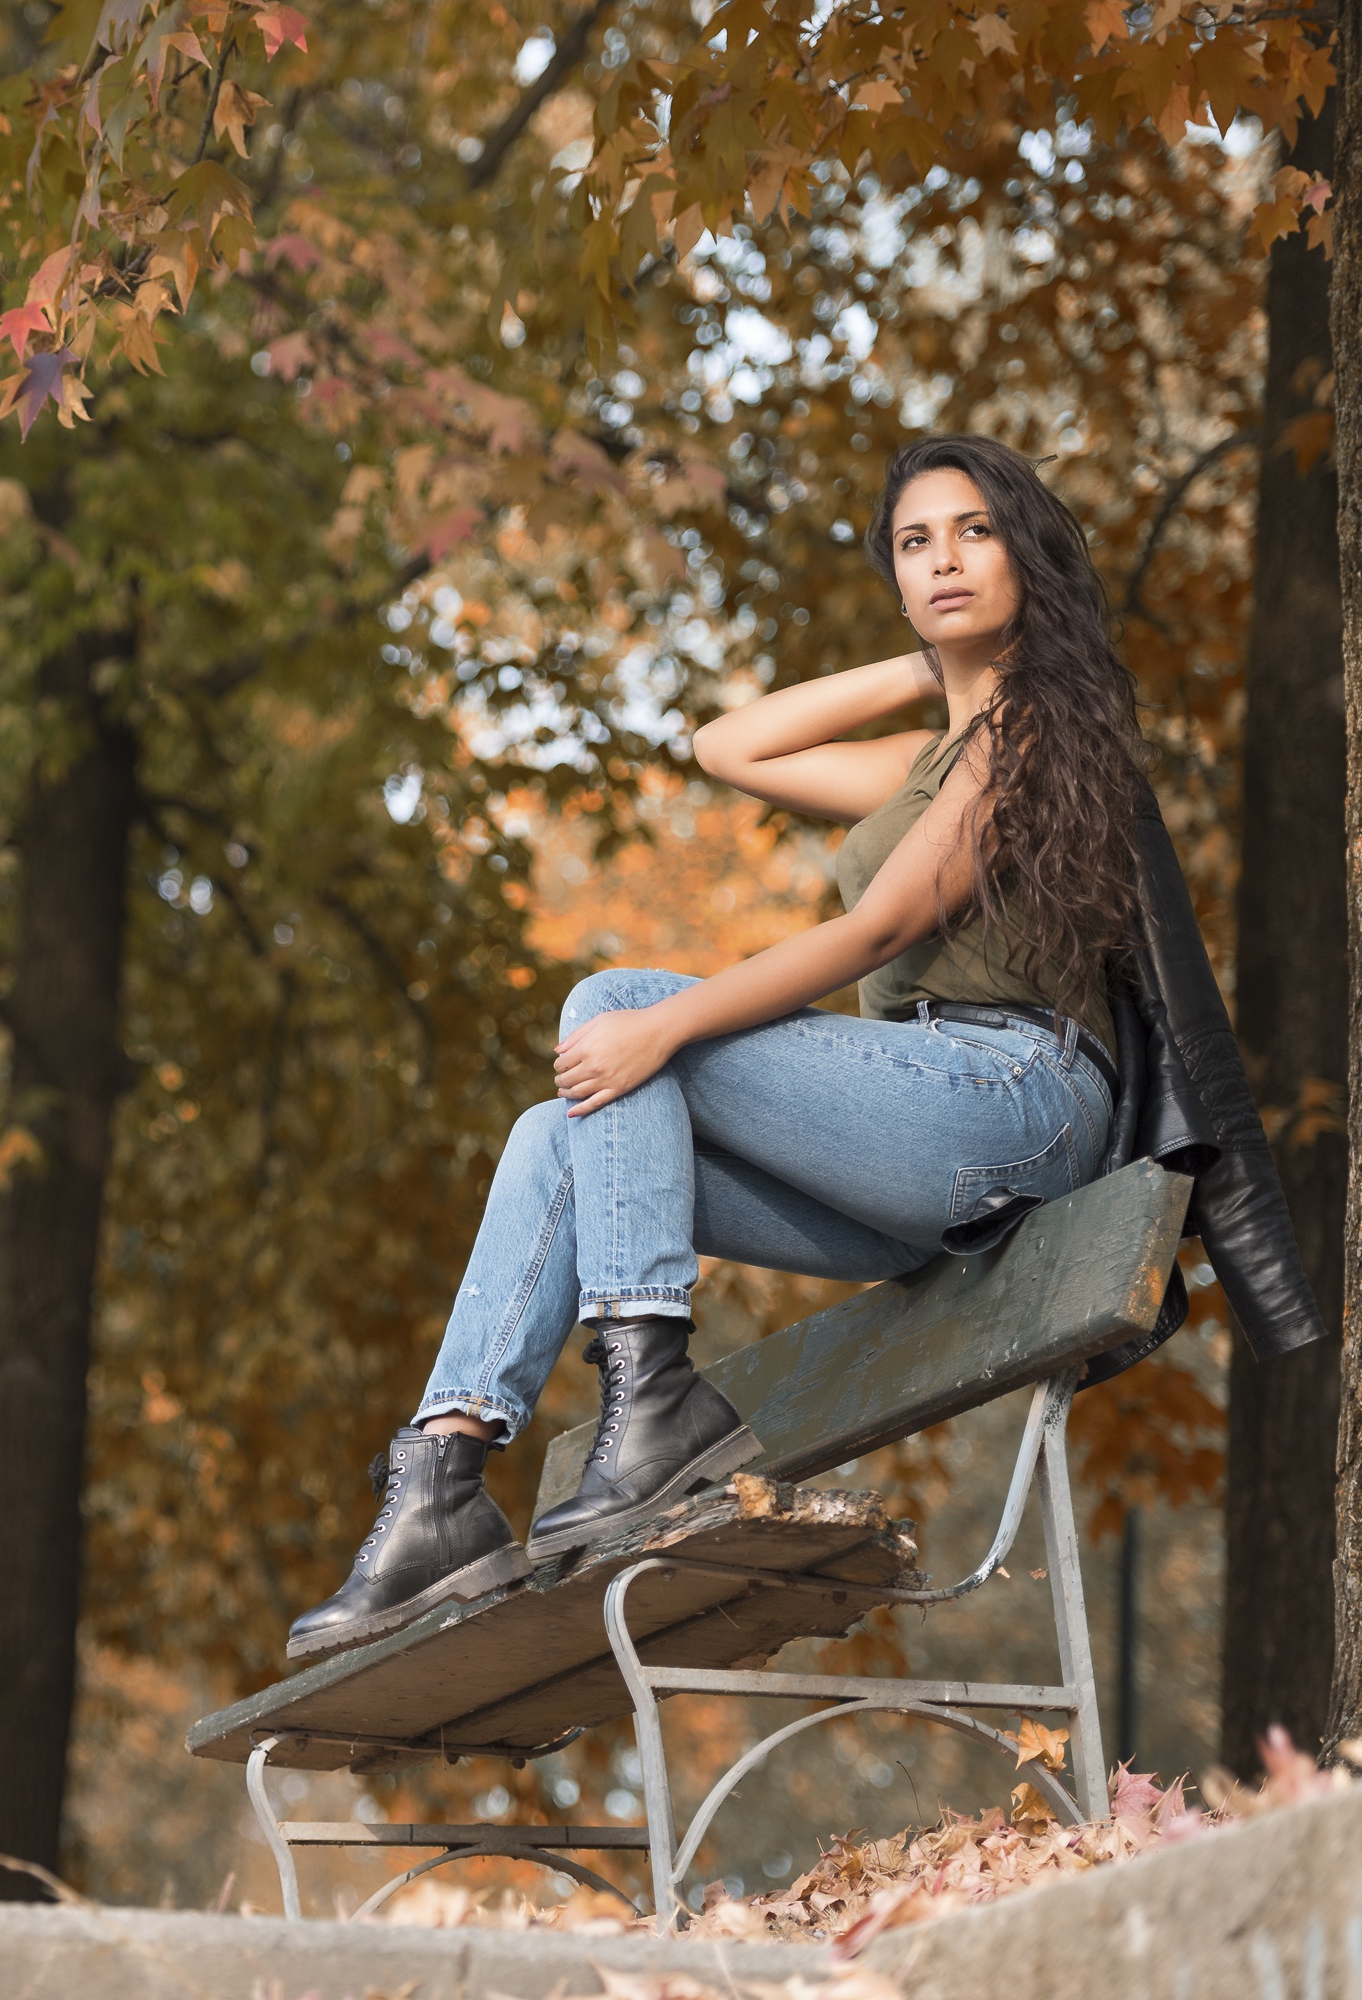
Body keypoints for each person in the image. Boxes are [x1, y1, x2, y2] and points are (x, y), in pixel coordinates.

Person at [289, 433, 1159, 1662]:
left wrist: (667, 1017)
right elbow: (728, 746)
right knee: (559, 1129)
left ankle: (650, 1401)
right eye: (916, 543)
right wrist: (932, 667)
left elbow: (881, 925)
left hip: (1009, 1098)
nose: (945, 558)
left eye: (975, 531)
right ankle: (443, 1476)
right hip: (920, 1152)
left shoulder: (1029, 732)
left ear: (1032, 551)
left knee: (619, 1003)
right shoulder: (936, 756)